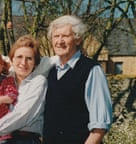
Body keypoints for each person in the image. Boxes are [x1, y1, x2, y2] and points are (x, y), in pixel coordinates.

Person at [43, 15, 113, 144]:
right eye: (56, 36)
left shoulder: (91, 70)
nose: (59, 41)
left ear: (77, 40)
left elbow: (100, 126)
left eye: (65, 36)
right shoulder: (50, 71)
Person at [0, 35, 48, 144]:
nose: (23, 62)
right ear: (12, 59)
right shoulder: (3, 80)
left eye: (29, 58)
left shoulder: (38, 82)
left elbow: (22, 114)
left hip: (24, 139)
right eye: (19, 57)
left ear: (35, 63)